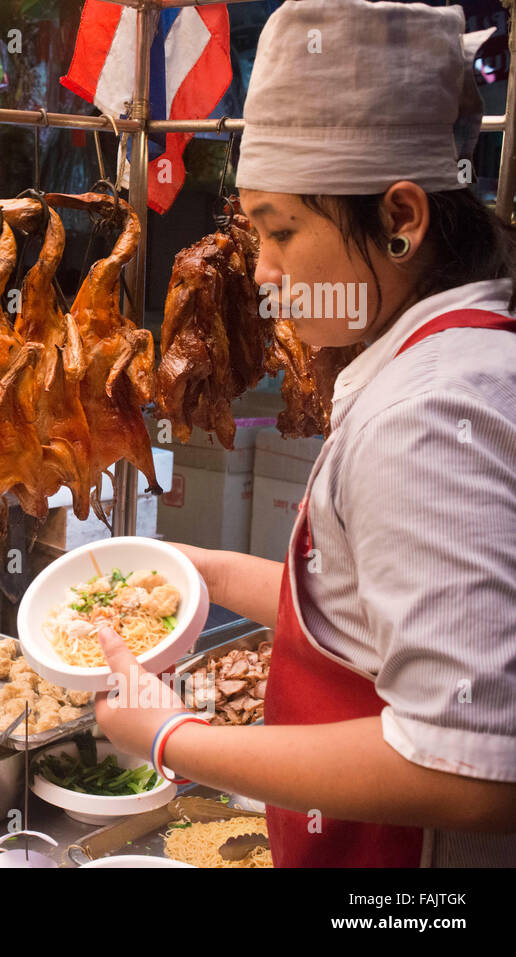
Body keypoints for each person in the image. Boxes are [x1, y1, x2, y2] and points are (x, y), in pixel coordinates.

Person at [95, 0, 516, 867]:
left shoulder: (430, 415)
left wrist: (174, 737)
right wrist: (199, 573)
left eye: (284, 231)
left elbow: (474, 768)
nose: (265, 273)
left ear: (401, 218)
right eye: (256, 236)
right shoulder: (451, 360)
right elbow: (368, 609)